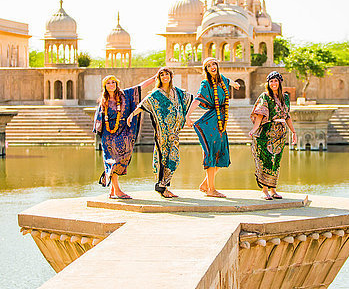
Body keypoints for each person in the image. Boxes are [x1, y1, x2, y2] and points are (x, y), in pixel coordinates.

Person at [126, 67, 193, 198]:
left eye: (167, 74)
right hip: (162, 135)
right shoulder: (156, 94)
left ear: (171, 77)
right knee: (164, 159)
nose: (165, 77)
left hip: (174, 134)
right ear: (159, 78)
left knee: (174, 159)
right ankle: (162, 187)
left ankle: (164, 186)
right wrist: (131, 115)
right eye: (162, 75)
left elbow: (191, 99)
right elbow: (143, 104)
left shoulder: (177, 92)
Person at [93, 74, 156, 199]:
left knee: (121, 158)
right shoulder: (103, 100)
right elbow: (99, 118)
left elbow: (140, 87)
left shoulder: (124, 95)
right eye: (108, 83)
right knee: (113, 161)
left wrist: (154, 77)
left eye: (113, 82)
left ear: (117, 84)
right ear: (105, 86)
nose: (111, 85)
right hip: (108, 136)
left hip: (123, 132)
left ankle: (111, 190)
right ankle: (117, 190)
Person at [186, 57, 240, 198]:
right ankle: (211, 189)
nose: (212, 67)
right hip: (212, 122)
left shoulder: (222, 80)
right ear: (206, 69)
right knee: (212, 153)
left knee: (222, 154)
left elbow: (228, 81)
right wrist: (187, 115)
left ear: (217, 65)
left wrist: (234, 84)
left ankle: (205, 184)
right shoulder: (206, 83)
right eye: (209, 65)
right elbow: (198, 99)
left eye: (214, 64)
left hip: (222, 121)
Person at [248, 71, 296, 200]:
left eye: (275, 81)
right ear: (268, 83)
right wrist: (254, 129)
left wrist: (293, 132)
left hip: (280, 133)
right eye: (271, 81)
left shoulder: (285, 98)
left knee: (276, 161)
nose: (273, 83)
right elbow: (260, 114)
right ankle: (265, 191)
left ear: (280, 82)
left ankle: (273, 190)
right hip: (267, 132)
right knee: (266, 160)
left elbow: (287, 116)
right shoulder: (265, 96)